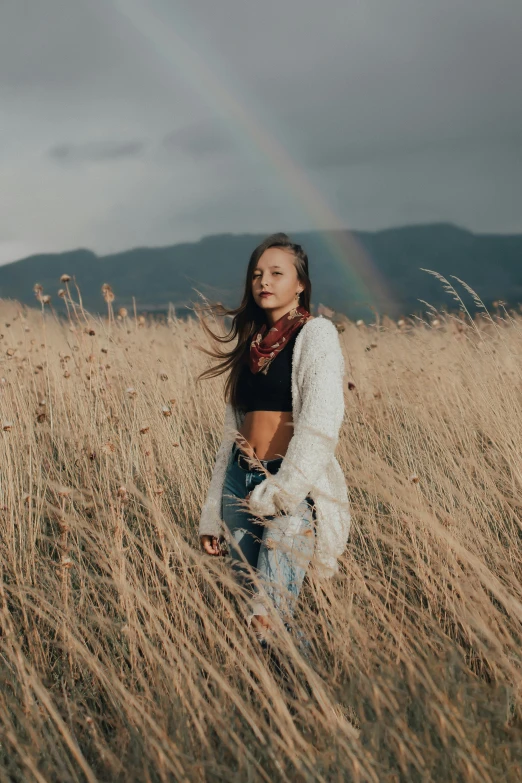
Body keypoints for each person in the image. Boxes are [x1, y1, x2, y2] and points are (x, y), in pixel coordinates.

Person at [195, 233, 351, 646]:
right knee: (252, 609)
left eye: (277, 274)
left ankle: (301, 701)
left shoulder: (315, 335)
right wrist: (213, 511)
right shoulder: (251, 346)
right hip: (239, 481)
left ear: (299, 284)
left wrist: (283, 490)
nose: (264, 281)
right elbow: (230, 437)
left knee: (269, 612)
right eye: (257, 274)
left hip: (290, 487)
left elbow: (322, 421)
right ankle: (286, 700)